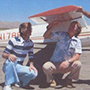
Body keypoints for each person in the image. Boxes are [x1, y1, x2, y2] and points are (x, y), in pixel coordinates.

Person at [42, 21, 82, 88]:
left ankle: (69, 79)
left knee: (78, 64)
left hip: (66, 65)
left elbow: (77, 56)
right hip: (55, 64)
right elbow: (46, 36)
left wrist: (68, 62)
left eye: (73, 27)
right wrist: (53, 26)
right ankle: (51, 80)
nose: (70, 28)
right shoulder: (61, 34)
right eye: (70, 26)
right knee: (46, 66)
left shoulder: (77, 41)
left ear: (77, 30)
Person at [2, 22, 38, 90]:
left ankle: (19, 81)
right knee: (11, 61)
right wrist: (9, 55)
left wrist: (31, 65)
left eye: (31, 29)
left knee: (34, 73)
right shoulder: (13, 40)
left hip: (19, 66)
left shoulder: (30, 43)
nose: (30, 30)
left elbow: (31, 55)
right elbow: (3, 54)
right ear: (22, 30)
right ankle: (7, 84)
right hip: (8, 66)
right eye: (28, 28)